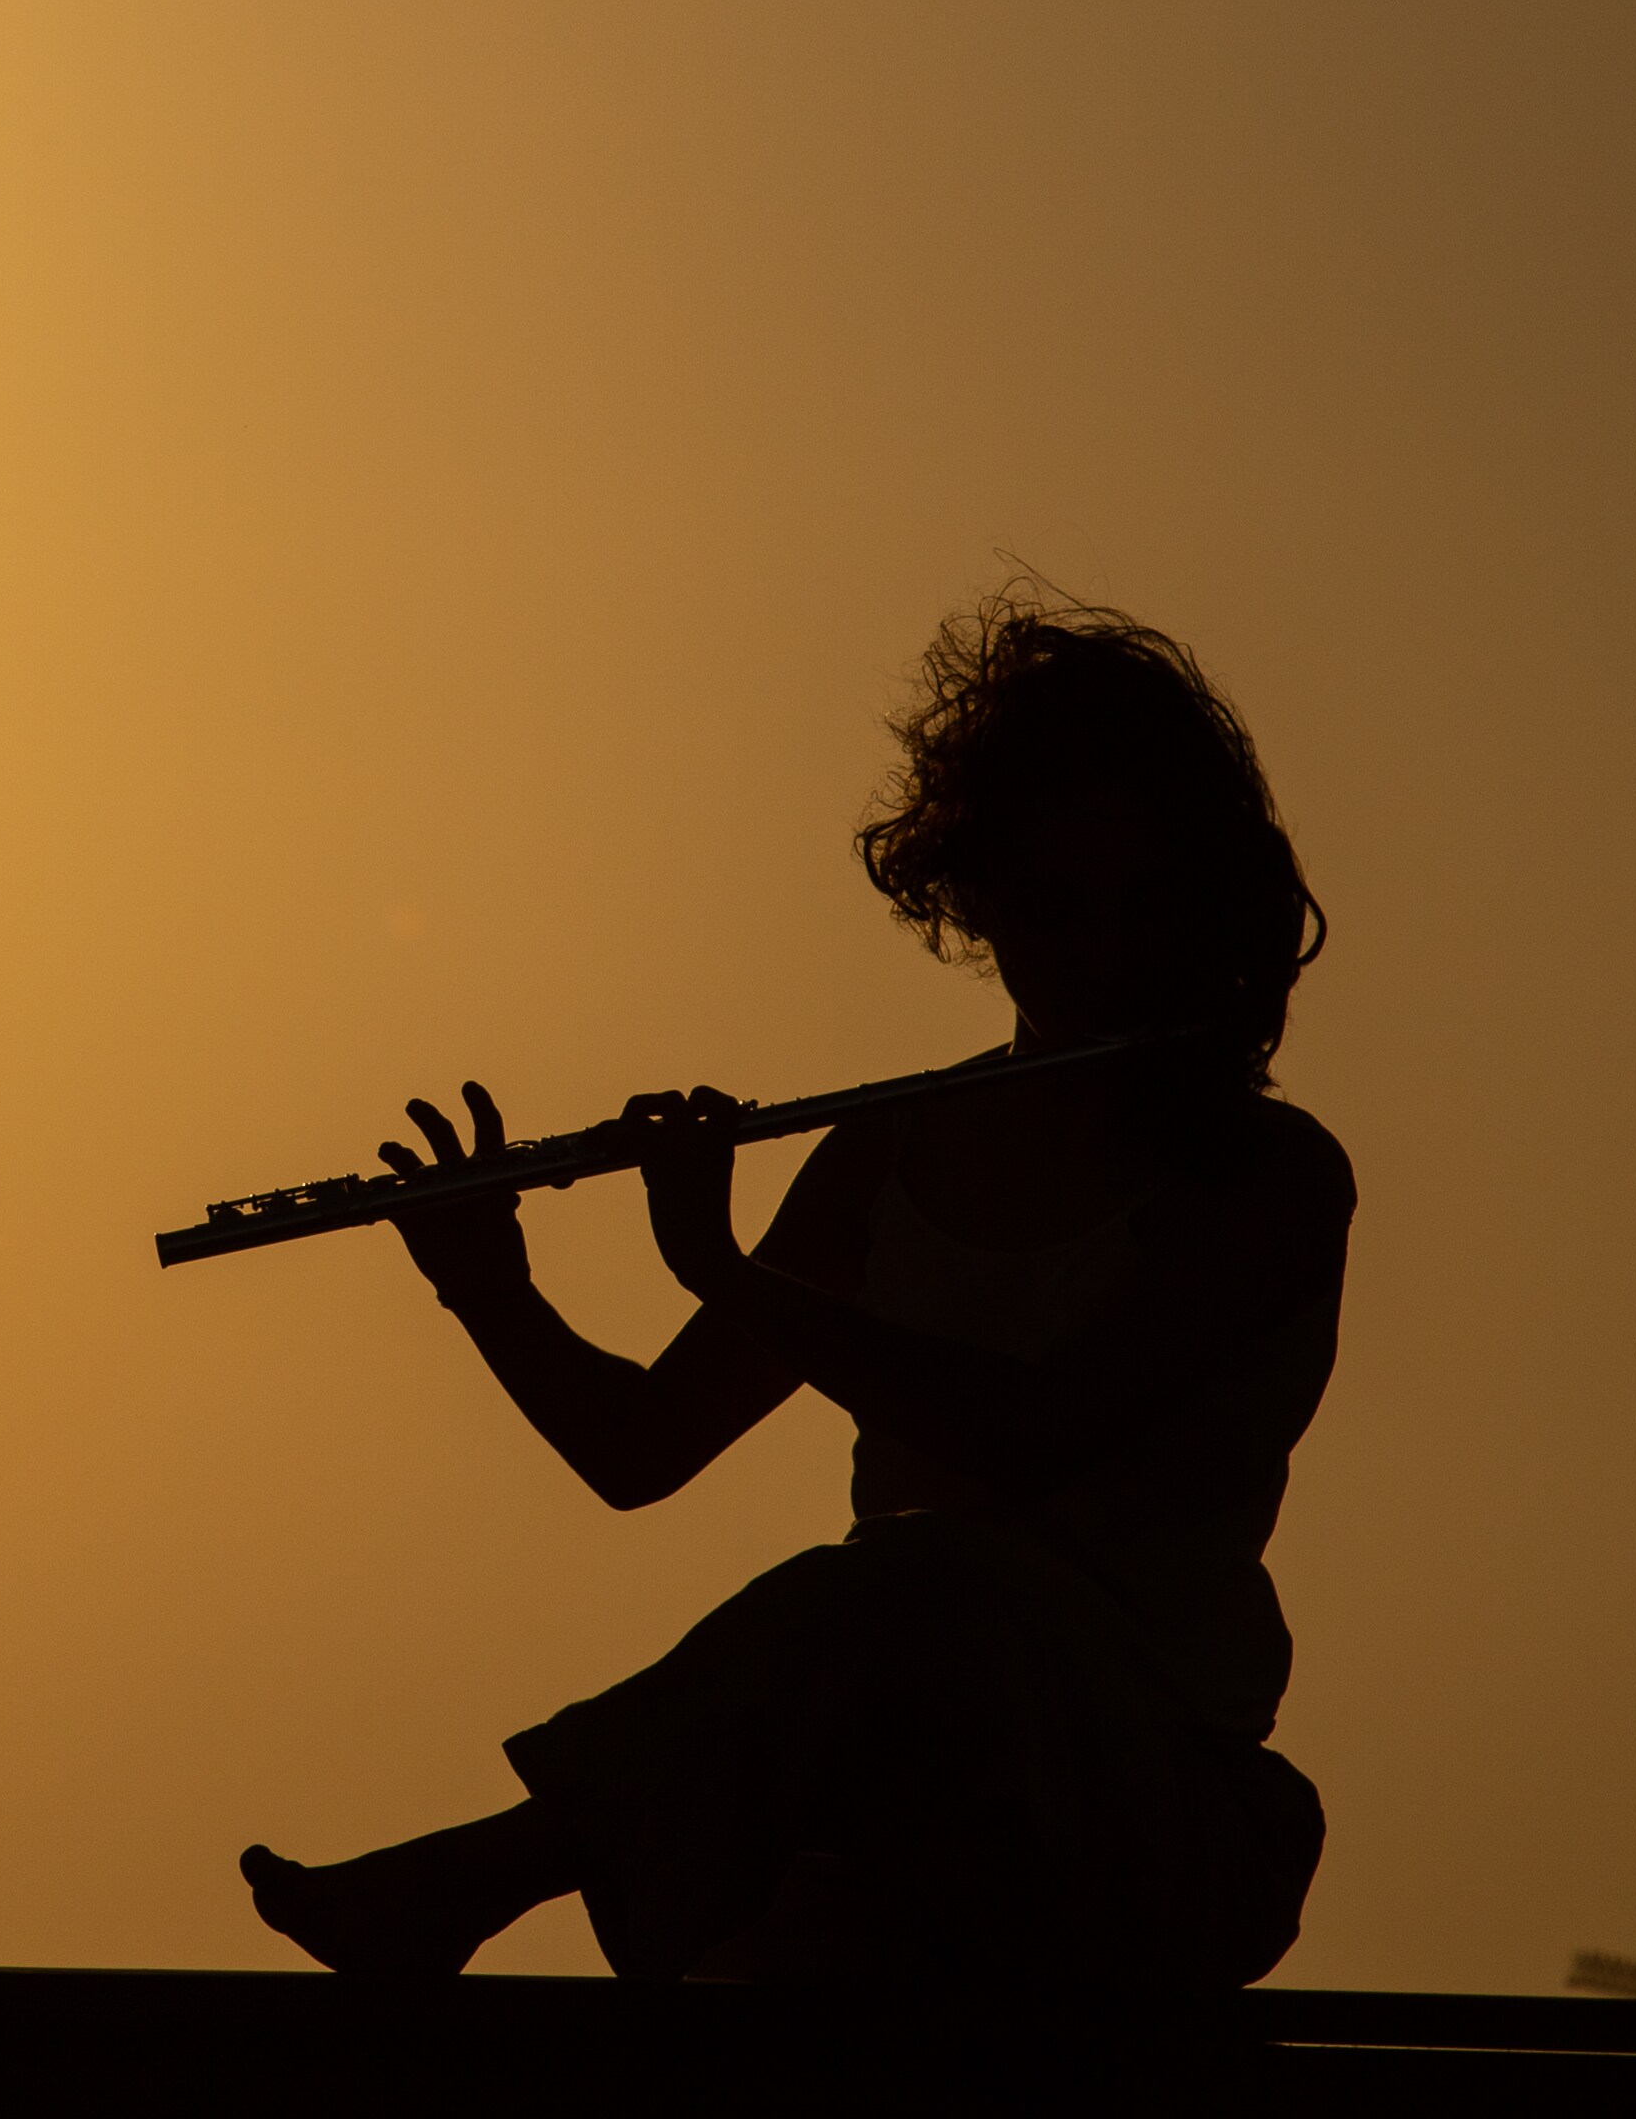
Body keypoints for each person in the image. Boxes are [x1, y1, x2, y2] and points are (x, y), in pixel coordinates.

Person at [239, 590, 1346, 1984]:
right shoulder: (888, 1145)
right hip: (899, 1796)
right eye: (1050, 906)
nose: (1093, 952)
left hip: (1145, 1819)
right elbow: (638, 1451)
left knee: (939, 1572)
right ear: (977, 890)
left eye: (1137, 909)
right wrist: (487, 1288)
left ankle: (495, 1869)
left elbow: (1027, 1440)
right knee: (871, 1730)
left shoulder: (1265, 1177)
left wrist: (718, 1266)